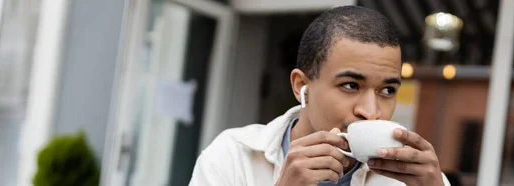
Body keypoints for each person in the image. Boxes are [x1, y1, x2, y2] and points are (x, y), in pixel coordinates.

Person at [189, 5, 451, 186]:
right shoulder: (234, 156)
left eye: (387, 90)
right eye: (350, 85)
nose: (371, 112)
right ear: (301, 86)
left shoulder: (412, 179)